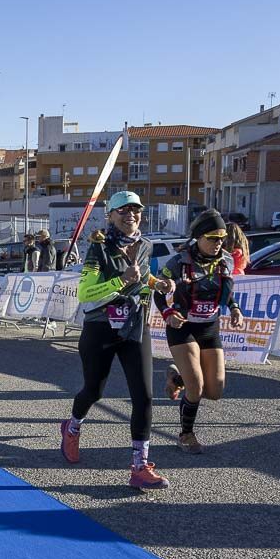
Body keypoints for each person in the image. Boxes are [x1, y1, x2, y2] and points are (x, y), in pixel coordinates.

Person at [58, 191, 176, 490]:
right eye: (122, 210)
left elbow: (144, 275)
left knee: (144, 396)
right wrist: (121, 281)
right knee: (94, 391)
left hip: (135, 326)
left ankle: (139, 466)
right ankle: (72, 427)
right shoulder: (99, 248)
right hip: (101, 326)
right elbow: (85, 293)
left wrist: (157, 284)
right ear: (110, 215)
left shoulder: (146, 245)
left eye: (135, 210)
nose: (130, 215)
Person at [157, 211, 244, 454]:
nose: (218, 243)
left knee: (214, 391)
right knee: (196, 387)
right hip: (182, 327)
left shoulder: (225, 259)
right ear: (199, 238)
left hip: (209, 327)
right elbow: (158, 293)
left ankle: (177, 378)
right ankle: (186, 434)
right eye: (213, 238)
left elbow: (228, 290)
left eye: (221, 239)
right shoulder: (179, 262)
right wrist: (167, 313)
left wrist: (235, 309)